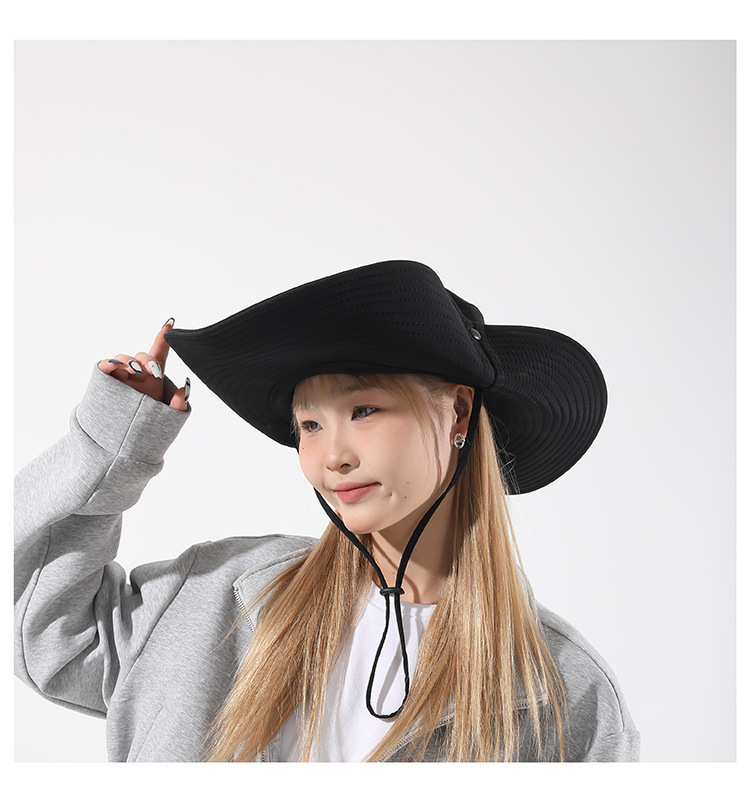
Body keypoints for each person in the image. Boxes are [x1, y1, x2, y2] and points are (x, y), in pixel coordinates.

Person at [14, 260, 640, 762]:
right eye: (310, 425)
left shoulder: (565, 694)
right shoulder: (215, 598)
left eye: (363, 411)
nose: (332, 456)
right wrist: (113, 445)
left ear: (457, 411)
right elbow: (42, 633)